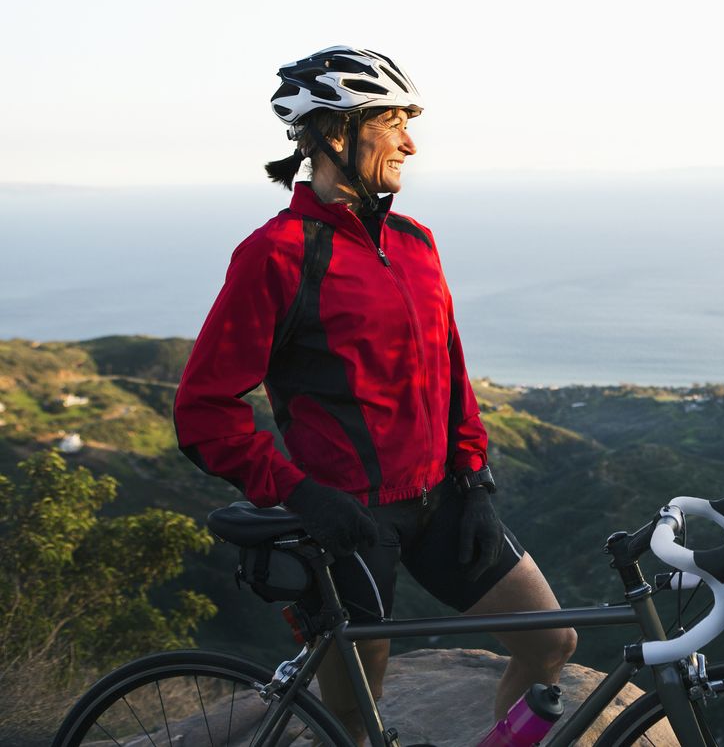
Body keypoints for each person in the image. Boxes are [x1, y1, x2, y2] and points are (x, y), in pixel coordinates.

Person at [173, 46, 575, 744]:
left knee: (551, 644)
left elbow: (451, 369)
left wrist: (474, 475)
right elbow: (203, 410)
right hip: (348, 521)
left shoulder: (416, 241)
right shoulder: (277, 254)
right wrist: (301, 494)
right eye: (393, 123)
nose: (411, 143)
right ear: (337, 133)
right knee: (356, 714)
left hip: (441, 500)